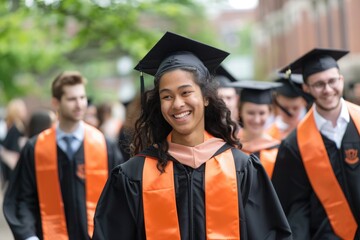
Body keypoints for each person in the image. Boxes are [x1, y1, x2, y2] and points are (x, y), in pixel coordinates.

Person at [92, 31, 292, 240]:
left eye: (186, 92)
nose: (177, 104)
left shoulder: (240, 168)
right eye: (167, 96)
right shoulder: (134, 175)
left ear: (205, 98)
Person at [3, 71, 124, 240]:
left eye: (82, 98)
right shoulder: (36, 148)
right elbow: (22, 199)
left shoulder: (104, 146)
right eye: (72, 99)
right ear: (56, 102)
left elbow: (118, 199)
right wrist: (29, 236)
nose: (80, 104)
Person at [272, 48, 360, 239]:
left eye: (332, 81)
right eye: (319, 84)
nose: (328, 90)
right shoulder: (294, 144)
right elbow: (295, 206)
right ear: (306, 88)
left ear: (341, 80)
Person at [230, 80, 282, 178]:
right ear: (240, 111)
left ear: (270, 113)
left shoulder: (277, 150)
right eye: (251, 113)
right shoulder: (230, 144)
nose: (256, 120)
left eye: (262, 113)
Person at [266, 73, 308, 141]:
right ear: (276, 104)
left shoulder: (313, 130)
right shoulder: (268, 136)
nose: (290, 112)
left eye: (295, 108)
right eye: (285, 108)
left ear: (304, 103)